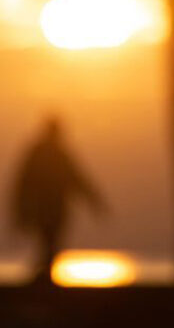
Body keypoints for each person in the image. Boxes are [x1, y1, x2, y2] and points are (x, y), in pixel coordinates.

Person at [11, 116, 106, 284]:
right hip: (46, 208)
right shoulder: (46, 153)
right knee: (49, 243)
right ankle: (43, 278)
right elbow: (24, 183)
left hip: (53, 208)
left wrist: (95, 202)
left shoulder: (53, 153)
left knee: (51, 243)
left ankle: (43, 277)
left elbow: (77, 179)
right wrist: (20, 210)